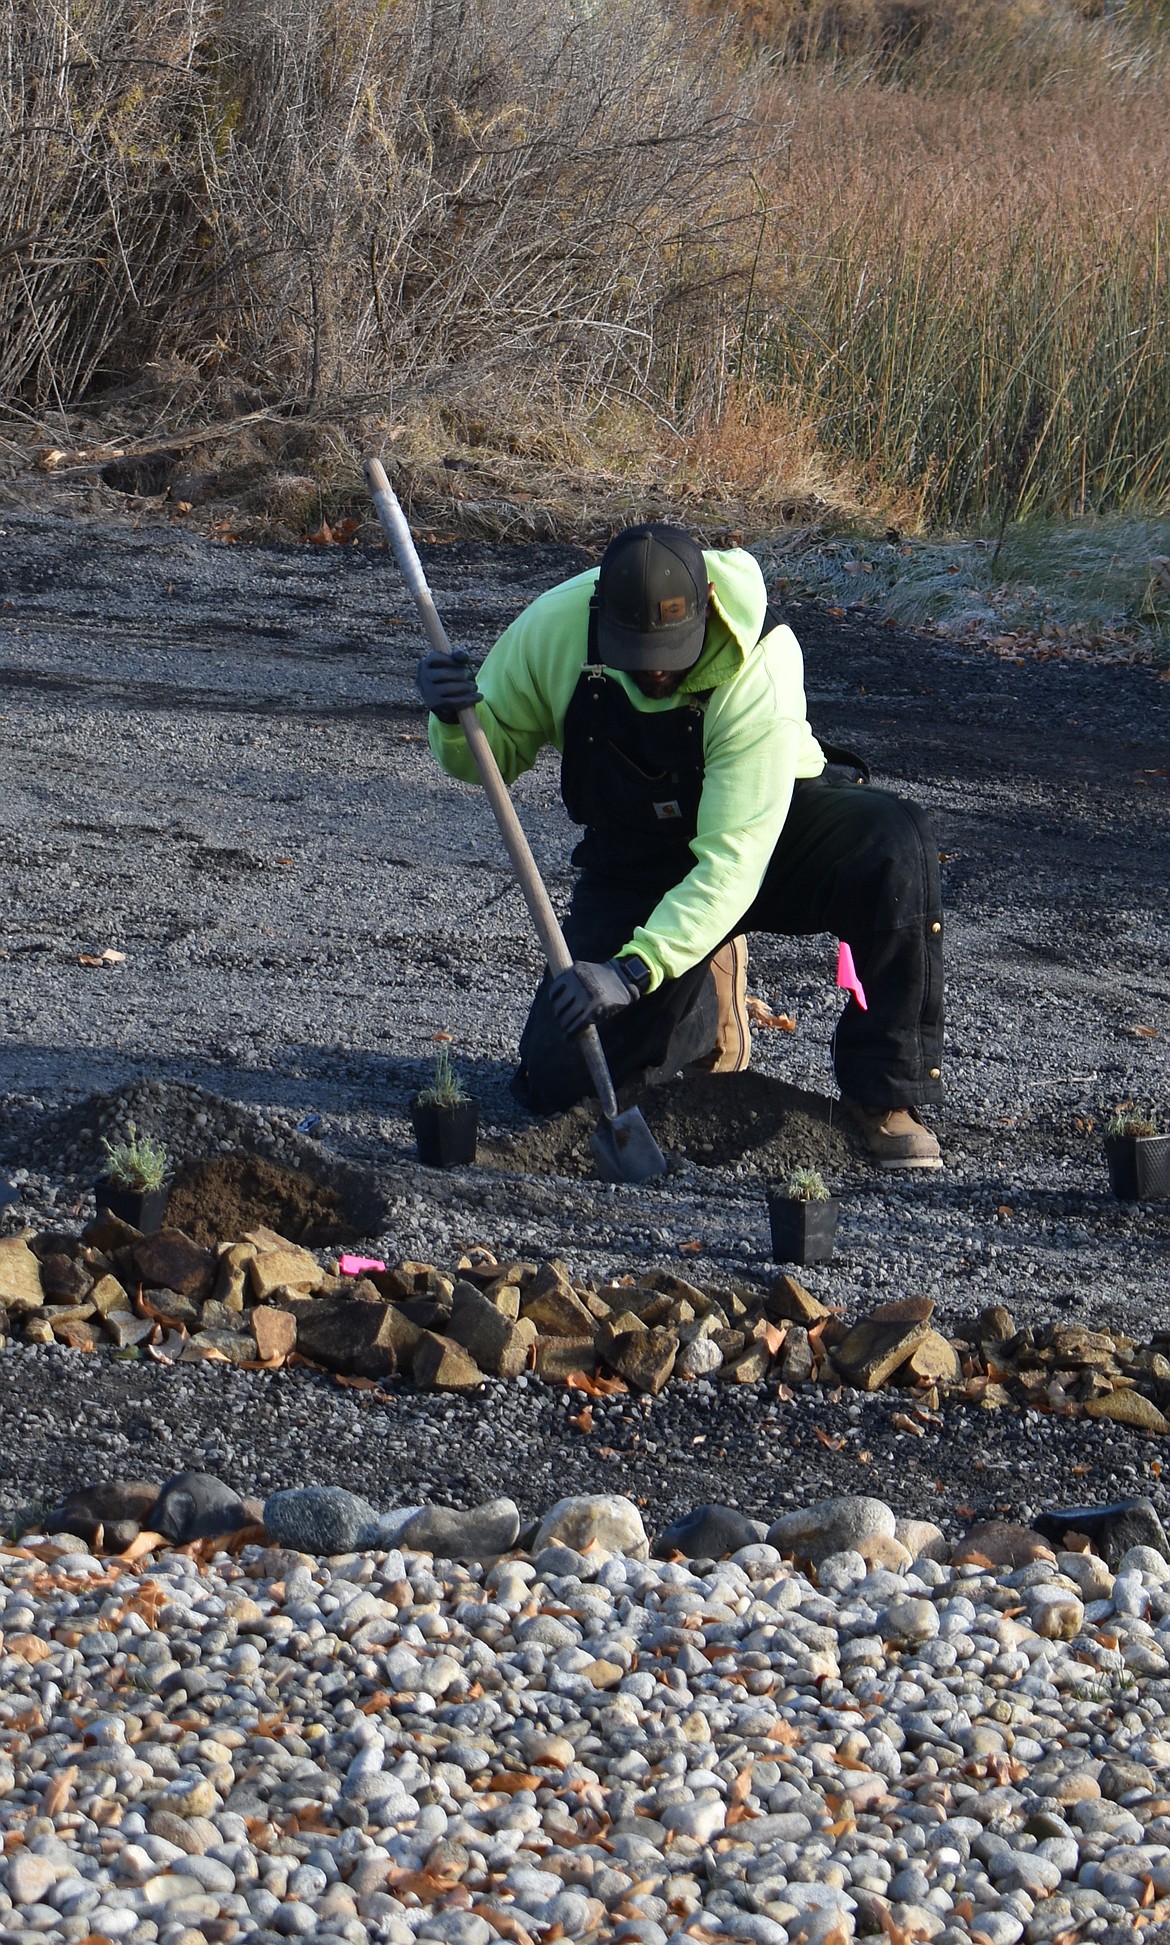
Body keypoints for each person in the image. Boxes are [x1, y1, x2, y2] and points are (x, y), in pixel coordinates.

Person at [418, 522, 944, 1168]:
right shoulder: (550, 630)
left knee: (893, 840)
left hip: (769, 839)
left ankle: (886, 1092)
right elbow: (486, 761)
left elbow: (732, 862)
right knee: (559, 1083)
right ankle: (701, 1000)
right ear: (601, 621)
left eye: (672, 650)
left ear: (705, 613)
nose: (658, 668)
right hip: (638, 857)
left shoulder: (760, 659)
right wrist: (452, 718)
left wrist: (631, 971)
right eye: (639, 654)